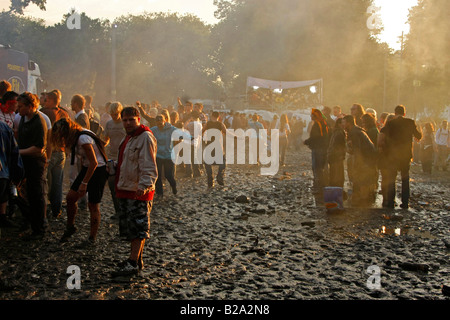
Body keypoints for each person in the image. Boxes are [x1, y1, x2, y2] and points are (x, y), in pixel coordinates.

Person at [113, 106, 158, 276]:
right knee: (131, 227)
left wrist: (144, 185)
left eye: (131, 119)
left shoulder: (145, 137)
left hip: (138, 191)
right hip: (126, 187)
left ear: (139, 119)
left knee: (138, 227)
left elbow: (149, 164)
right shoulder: (129, 138)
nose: (128, 123)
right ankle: (136, 259)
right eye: (125, 120)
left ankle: (132, 262)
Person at [52, 117, 108, 245]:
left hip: (98, 169)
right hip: (87, 167)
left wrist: (84, 183)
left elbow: (94, 162)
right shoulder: (77, 136)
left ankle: (92, 238)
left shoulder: (83, 139)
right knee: (71, 198)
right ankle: (70, 227)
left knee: (93, 204)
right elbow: (85, 160)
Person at [16, 92, 48, 240]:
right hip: (24, 161)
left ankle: (39, 227)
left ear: (30, 106)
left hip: (36, 163)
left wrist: (18, 152)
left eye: (21, 106)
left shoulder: (38, 121)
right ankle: (30, 221)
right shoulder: (23, 118)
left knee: (37, 194)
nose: (18, 108)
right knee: (23, 193)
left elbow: (38, 148)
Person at [381, 105, 422, 209]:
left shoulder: (390, 123)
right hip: (405, 155)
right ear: (404, 113)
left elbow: (384, 135)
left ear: (394, 113)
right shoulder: (410, 122)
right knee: (405, 179)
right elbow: (419, 136)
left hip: (393, 155)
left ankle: (390, 202)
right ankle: (405, 203)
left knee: (392, 179)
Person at [40, 91, 70, 218]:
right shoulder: (65, 113)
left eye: (46, 100)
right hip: (61, 151)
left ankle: (43, 211)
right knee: (58, 183)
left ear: (51, 100)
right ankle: (57, 210)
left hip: (50, 151)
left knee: (44, 182)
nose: (44, 102)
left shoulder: (45, 113)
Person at [342, 115, 377, 205]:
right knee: (362, 179)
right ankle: (361, 199)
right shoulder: (356, 130)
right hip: (368, 158)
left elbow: (358, 150)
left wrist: (357, 164)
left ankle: (362, 200)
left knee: (362, 179)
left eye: (344, 122)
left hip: (367, 159)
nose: (342, 124)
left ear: (349, 123)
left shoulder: (354, 132)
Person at [103, 102, 126, 218]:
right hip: (112, 156)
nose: (114, 116)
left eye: (116, 114)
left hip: (124, 157)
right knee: (112, 183)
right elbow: (106, 139)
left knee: (124, 183)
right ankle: (118, 210)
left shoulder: (125, 124)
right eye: (112, 114)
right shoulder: (109, 124)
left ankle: (124, 209)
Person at [0, 121, 24, 228]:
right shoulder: (5, 127)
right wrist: (18, 174)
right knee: (3, 194)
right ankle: (2, 217)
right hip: (4, 173)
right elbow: (15, 152)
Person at [151, 114, 178, 197]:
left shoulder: (171, 129)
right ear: (156, 123)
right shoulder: (154, 130)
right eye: (158, 124)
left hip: (168, 155)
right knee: (157, 175)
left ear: (164, 121)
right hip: (158, 155)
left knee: (168, 175)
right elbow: (146, 134)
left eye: (161, 123)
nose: (160, 125)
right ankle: (159, 193)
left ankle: (173, 185)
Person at [304, 109, 329, 193]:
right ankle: (322, 186)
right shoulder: (324, 123)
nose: (310, 116)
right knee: (321, 168)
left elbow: (315, 137)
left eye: (312, 115)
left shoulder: (317, 124)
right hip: (323, 148)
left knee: (317, 168)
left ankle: (319, 187)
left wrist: (306, 142)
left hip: (318, 148)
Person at [203, 111, 227, 188]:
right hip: (218, 145)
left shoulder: (208, 124)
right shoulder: (220, 124)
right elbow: (225, 132)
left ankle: (210, 179)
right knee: (223, 162)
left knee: (207, 163)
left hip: (209, 145)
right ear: (218, 116)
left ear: (211, 115)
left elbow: (202, 132)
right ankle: (220, 175)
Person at [327, 118, 346, 188]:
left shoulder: (336, 132)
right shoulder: (340, 133)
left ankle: (332, 190)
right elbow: (339, 147)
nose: (344, 125)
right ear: (339, 124)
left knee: (333, 175)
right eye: (342, 123)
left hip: (332, 157)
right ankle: (337, 191)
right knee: (338, 176)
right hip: (336, 158)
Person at [184, 111, 203, 177]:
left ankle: (189, 173)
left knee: (188, 158)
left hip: (188, 142)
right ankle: (197, 172)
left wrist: (188, 120)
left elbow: (185, 127)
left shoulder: (191, 123)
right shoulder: (200, 124)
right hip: (195, 142)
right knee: (194, 157)